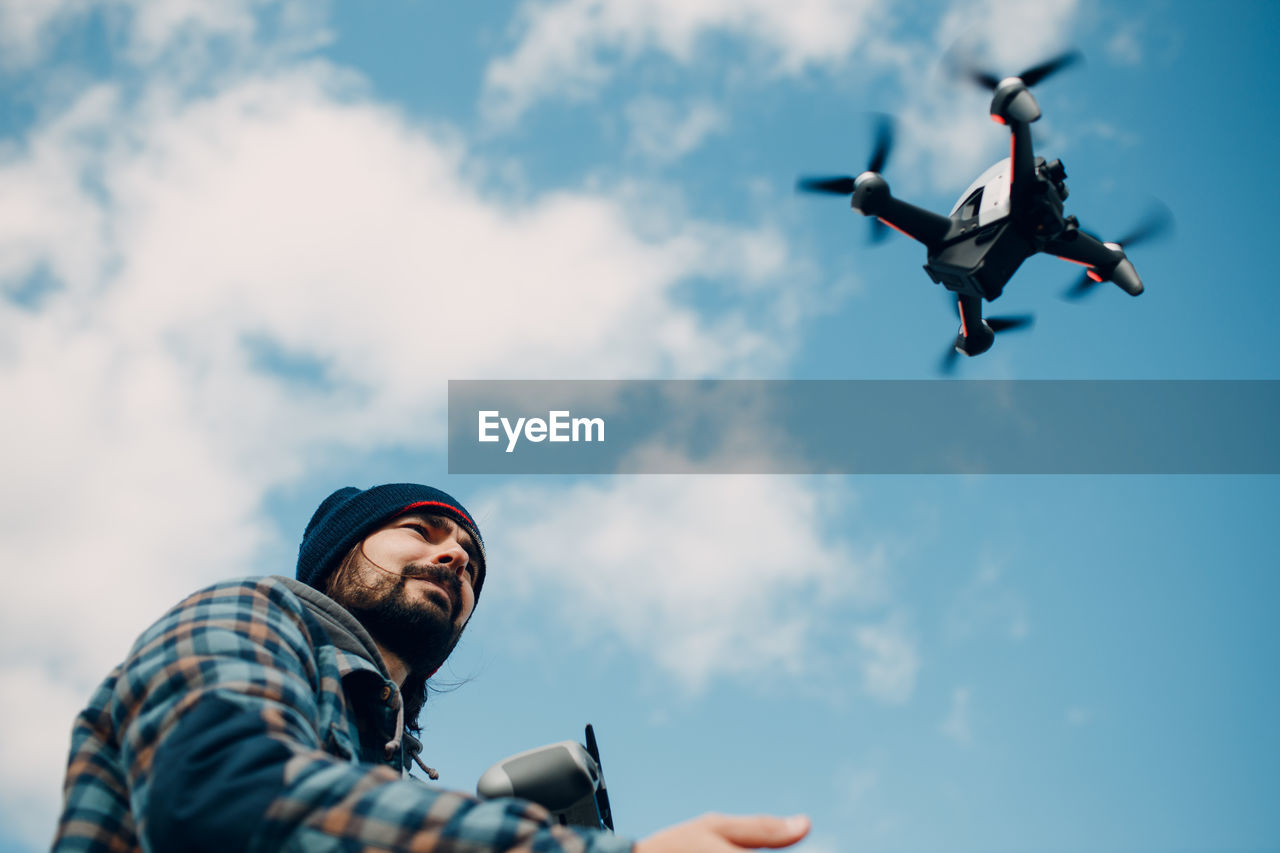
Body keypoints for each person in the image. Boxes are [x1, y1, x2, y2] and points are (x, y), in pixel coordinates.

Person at [54, 482, 811, 852]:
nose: (454, 555)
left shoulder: (390, 781)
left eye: (472, 560)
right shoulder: (250, 611)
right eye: (421, 530)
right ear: (339, 555)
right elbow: (218, 799)